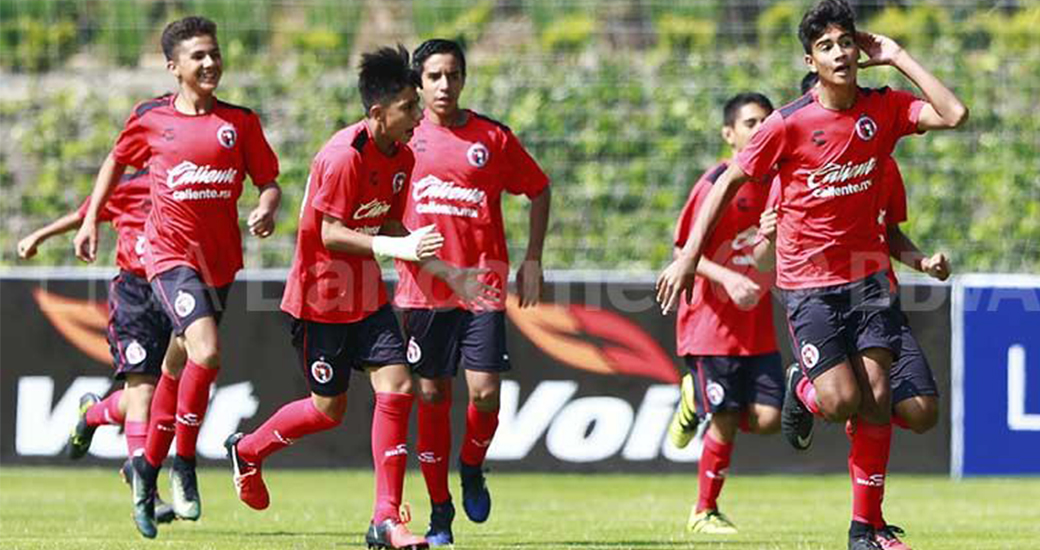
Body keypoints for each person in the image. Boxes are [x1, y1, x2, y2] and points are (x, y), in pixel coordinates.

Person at [655, 1, 967, 548]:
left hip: (869, 282)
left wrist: (896, 55)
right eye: (826, 46)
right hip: (809, 286)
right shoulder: (789, 122)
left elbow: (954, 113)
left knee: (906, 406)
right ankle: (805, 391)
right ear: (811, 59)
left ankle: (864, 528)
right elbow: (727, 181)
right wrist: (688, 256)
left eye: (846, 41)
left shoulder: (885, 108)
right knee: (844, 400)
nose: (840, 52)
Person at [224, 45, 449, 550]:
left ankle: (385, 519)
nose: (418, 117)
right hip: (319, 301)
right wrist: (397, 245)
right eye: (410, 108)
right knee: (329, 410)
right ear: (378, 113)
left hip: (367, 297)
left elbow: (389, 221)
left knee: (398, 388)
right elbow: (329, 233)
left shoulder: (404, 156)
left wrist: (439, 267)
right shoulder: (342, 157)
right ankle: (249, 451)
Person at [73, 15, 282, 539]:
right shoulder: (150, 119)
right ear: (174, 67)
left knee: (178, 361)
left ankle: (149, 467)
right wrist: (90, 220)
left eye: (214, 53)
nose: (210, 63)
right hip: (168, 259)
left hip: (220, 262)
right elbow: (115, 162)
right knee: (206, 351)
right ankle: (182, 463)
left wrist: (266, 207)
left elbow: (270, 181)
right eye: (198, 57)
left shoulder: (240, 123)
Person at [392, 38, 551, 546]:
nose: (444, 85)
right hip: (422, 292)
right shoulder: (403, 140)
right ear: (418, 83)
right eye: (434, 76)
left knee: (484, 393)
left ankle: (472, 465)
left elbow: (539, 188)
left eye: (452, 75)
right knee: (432, 394)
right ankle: (440, 510)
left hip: (481, 288)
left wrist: (532, 260)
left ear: (463, 79)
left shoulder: (493, 138)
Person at [18, 169, 180, 524]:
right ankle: (145, 487)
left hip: (178, 290)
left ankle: (91, 415)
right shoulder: (125, 185)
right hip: (136, 296)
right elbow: (82, 215)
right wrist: (38, 236)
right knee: (142, 394)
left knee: (152, 397)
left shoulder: (186, 179)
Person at [664, 93, 783, 535]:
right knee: (728, 417)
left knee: (769, 420)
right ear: (729, 135)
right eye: (750, 122)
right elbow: (682, 252)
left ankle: (697, 402)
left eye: (766, 121)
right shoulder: (715, 183)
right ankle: (704, 510)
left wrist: (767, 253)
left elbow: (769, 257)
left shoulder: (779, 183)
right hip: (711, 326)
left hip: (756, 327)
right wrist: (727, 278)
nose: (760, 129)